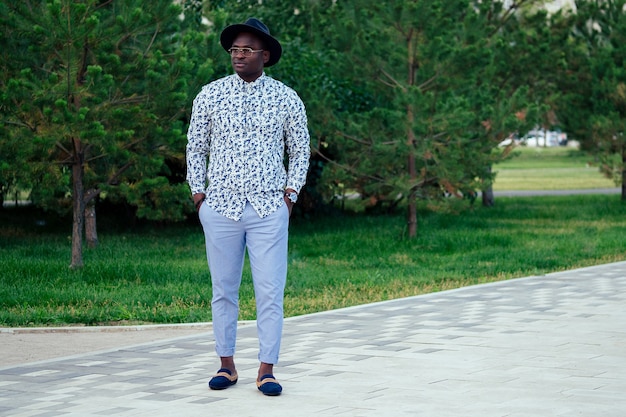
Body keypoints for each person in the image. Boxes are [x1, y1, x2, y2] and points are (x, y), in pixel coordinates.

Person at [185, 17, 310, 396]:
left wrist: (289, 196)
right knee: (223, 289)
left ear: (265, 55)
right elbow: (196, 146)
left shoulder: (286, 98)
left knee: (269, 290)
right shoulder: (210, 94)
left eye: (247, 50)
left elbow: (300, 149)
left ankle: (267, 370)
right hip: (220, 206)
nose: (239, 55)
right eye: (234, 50)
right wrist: (198, 194)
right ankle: (226, 366)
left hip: (269, 208)